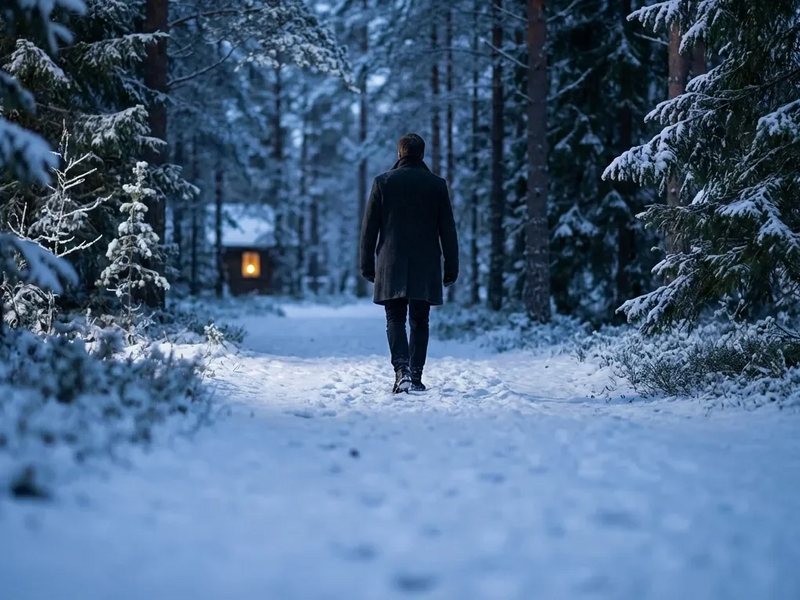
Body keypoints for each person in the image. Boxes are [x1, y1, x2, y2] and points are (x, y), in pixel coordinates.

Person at [360, 133, 459, 394]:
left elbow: (369, 229)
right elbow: (447, 229)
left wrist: (367, 265)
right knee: (420, 320)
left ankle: (401, 370)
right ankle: (415, 376)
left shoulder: (383, 182)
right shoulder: (436, 184)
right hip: (425, 263)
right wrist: (451, 267)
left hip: (390, 262)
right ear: (422, 154)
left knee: (394, 318)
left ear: (400, 154)